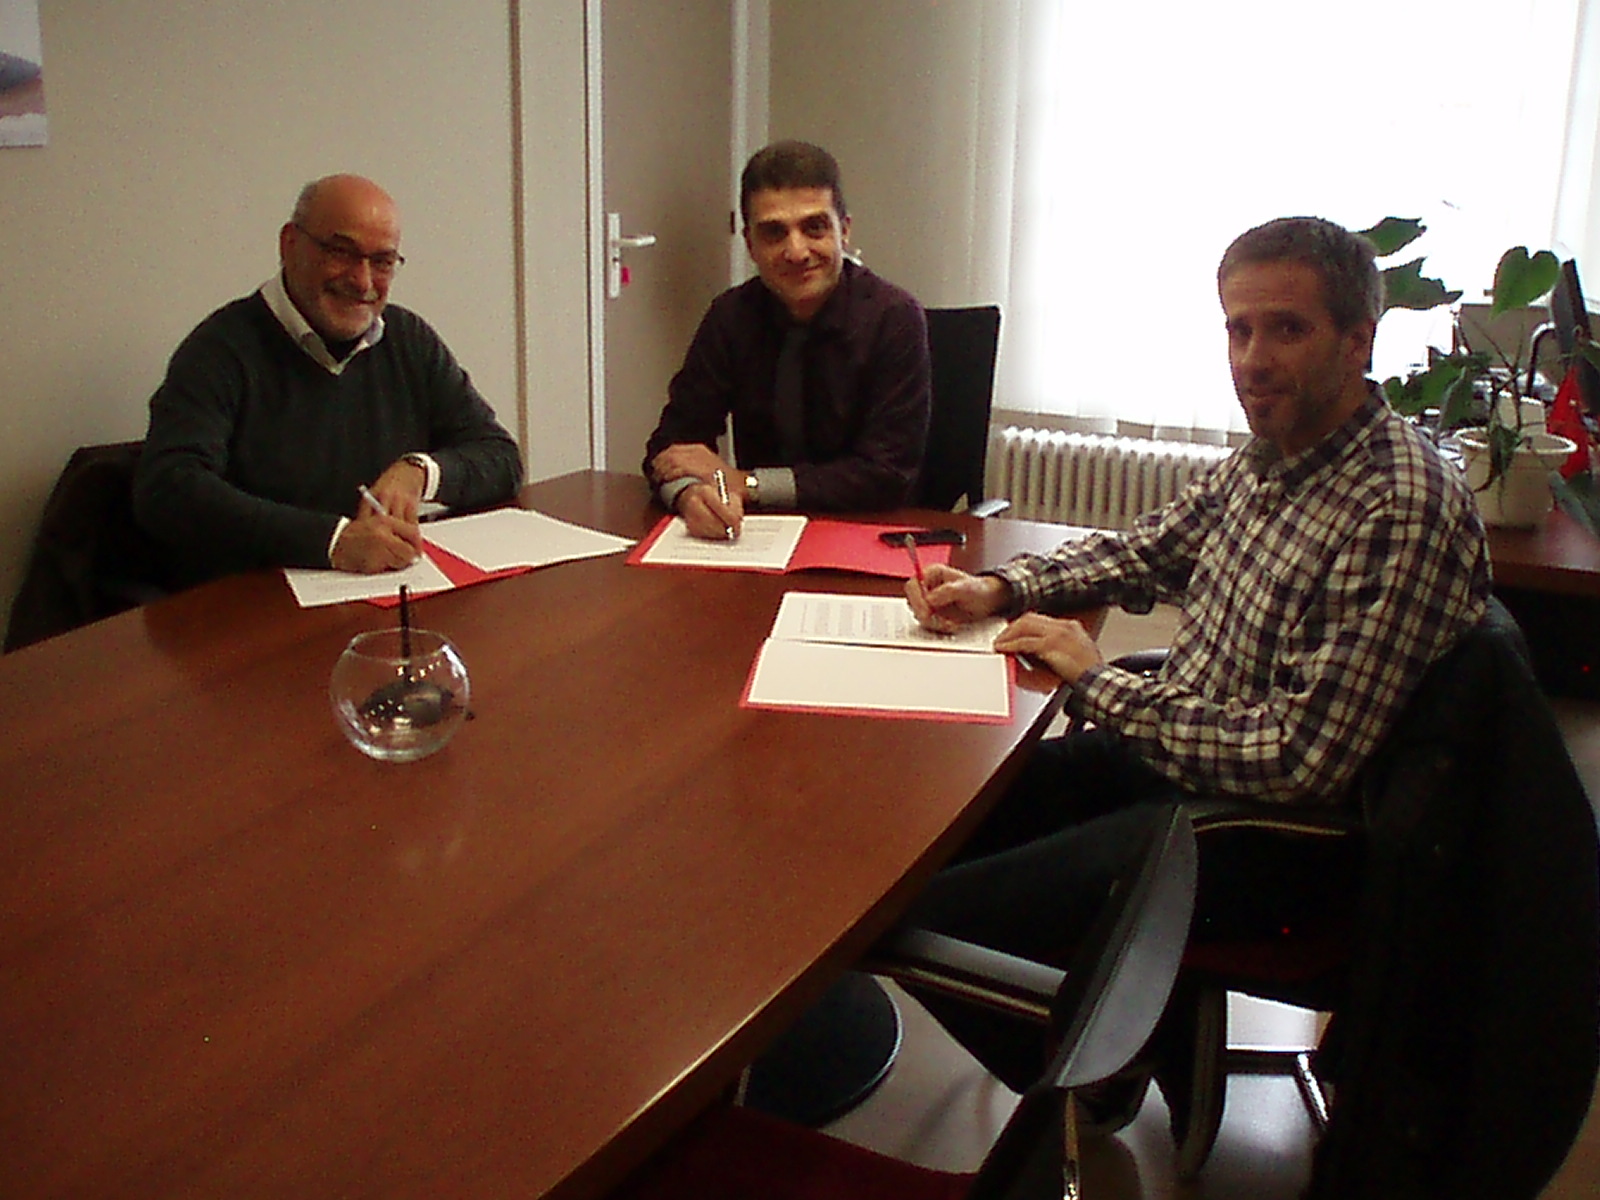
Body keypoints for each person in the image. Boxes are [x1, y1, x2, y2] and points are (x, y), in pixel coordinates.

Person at [901, 216, 1491, 1116]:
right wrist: (999, 587)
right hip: (1186, 756)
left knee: (921, 913)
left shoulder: (1397, 504)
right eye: (1238, 329)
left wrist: (1098, 683)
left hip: (1272, 834)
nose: (1252, 359)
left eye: (1286, 329)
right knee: (934, 826)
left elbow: (1299, 762)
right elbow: (1147, 551)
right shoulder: (1276, 454)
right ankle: (1117, 1018)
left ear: (1358, 341)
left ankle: (1092, 1070)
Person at [134, 173, 523, 587]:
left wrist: (419, 472)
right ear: (289, 244)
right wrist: (332, 542)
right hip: (257, 604)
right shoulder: (219, 350)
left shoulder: (408, 339)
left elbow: (501, 458)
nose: (363, 281)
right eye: (341, 252)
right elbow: (168, 490)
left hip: (384, 593)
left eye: (382, 261)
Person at [643, 140, 930, 539]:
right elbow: (671, 447)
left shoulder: (894, 318)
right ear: (750, 244)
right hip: (756, 538)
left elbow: (885, 475)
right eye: (774, 233)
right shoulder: (730, 316)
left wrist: (745, 483)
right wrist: (692, 495)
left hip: (866, 535)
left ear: (844, 231)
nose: (796, 252)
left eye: (814, 228)